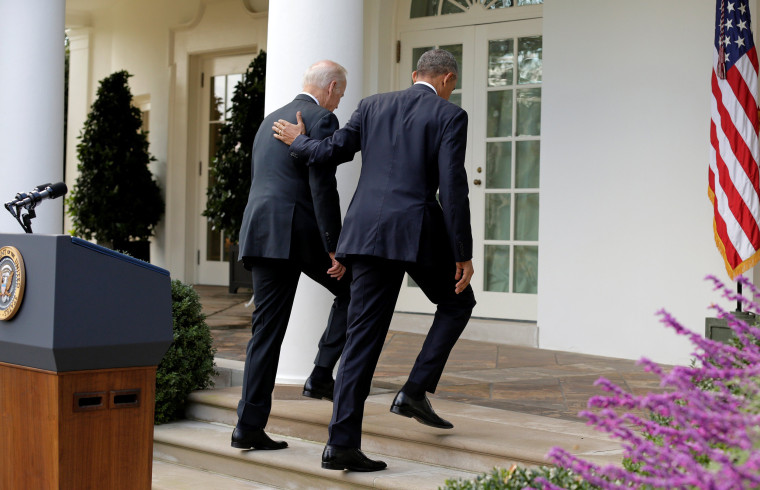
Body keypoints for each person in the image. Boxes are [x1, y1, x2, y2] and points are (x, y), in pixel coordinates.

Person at [273, 49, 476, 471]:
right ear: (447, 80)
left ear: (416, 74)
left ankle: (341, 445)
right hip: (416, 232)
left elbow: (332, 152)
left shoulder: (372, 104)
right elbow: (453, 189)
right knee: (458, 302)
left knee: (362, 338)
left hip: (364, 232)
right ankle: (415, 390)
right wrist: (463, 253)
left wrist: (300, 141)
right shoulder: (450, 115)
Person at [231, 60, 351, 451]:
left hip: (261, 230)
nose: (338, 104)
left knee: (265, 331)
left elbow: (263, 179)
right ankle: (320, 374)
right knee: (356, 289)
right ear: (331, 87)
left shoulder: (270, 121)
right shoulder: (322, 119)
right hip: (296, 233)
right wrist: (334, 245)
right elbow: (322, 186)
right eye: (341, 95)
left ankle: (247, 427)